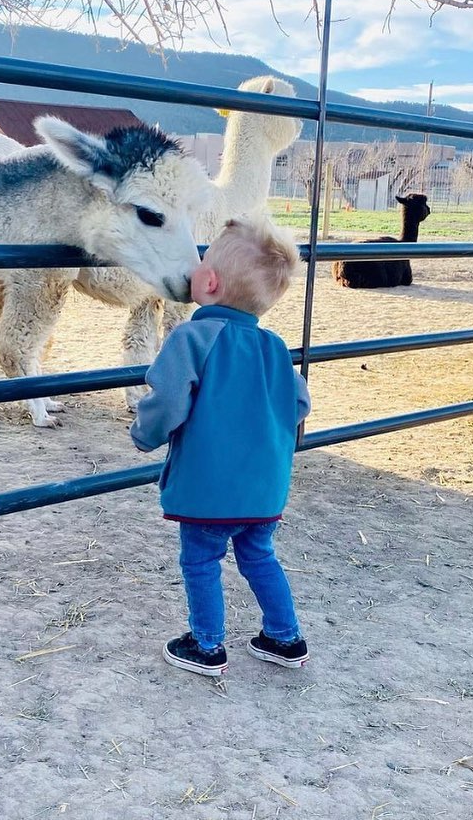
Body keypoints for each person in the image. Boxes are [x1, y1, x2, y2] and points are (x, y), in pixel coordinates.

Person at [130, 217, 311, 677]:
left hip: (210, 488)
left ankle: (207, 644)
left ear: (208, 281)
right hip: (264, 489)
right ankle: (284, 637)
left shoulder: (192, 337)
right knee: (258, 555)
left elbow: (168, 399)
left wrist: (144, 435)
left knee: (201, 560)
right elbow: (299, 401)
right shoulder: (275, 346)